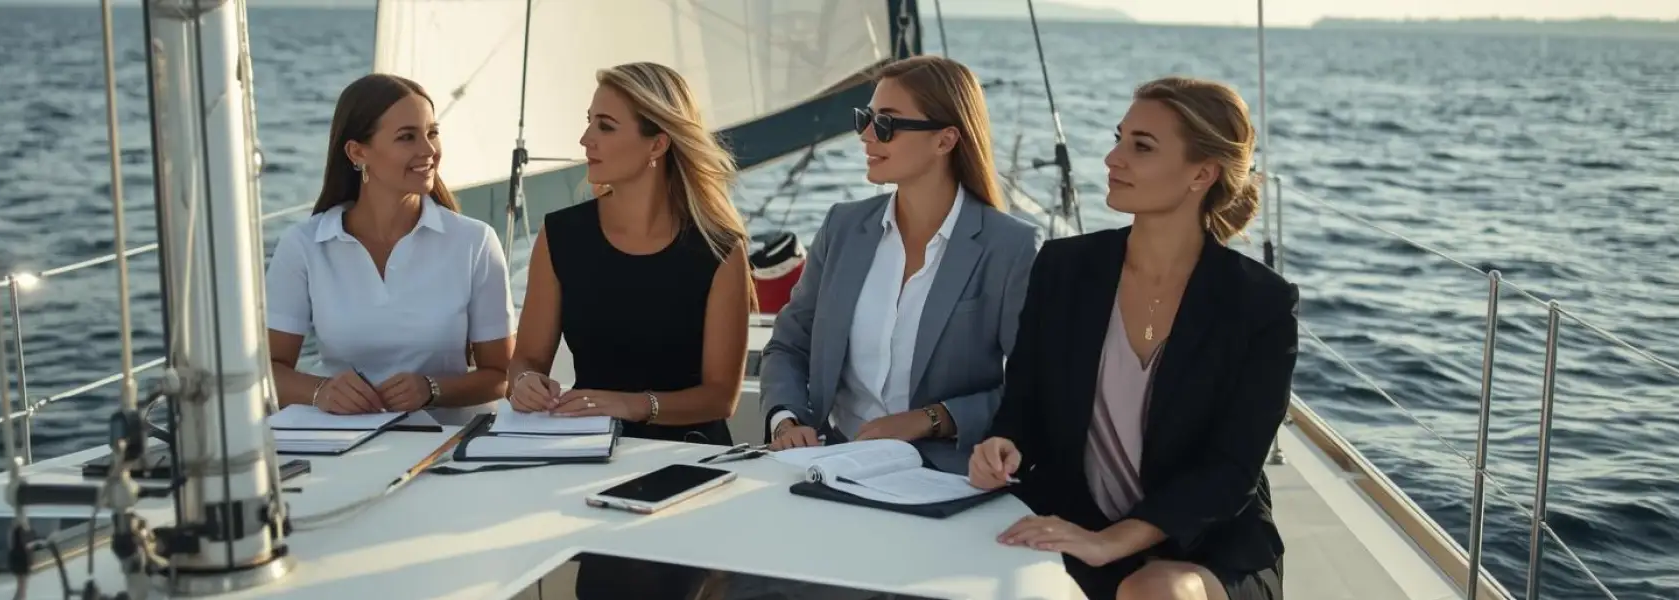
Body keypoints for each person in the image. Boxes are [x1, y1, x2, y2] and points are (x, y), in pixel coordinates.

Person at [968, 76, 1296, 600]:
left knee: (1155, 593)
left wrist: (1114, 542)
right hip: (1074, 516)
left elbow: (1231, 470)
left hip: (1206, 539)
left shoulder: (1259, 304)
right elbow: (1023, 406)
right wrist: (1001, 447)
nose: (1112, 158)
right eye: (1118, 138)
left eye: (1140, 146)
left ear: (1202, 173)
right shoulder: (1063, 268)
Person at [757, 55, 1039, 475]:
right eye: (864, 119)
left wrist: (930, 420)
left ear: (945, 141)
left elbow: (1032, 386)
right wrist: (787, 418)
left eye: (886, 124)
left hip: (942, 474)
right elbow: (789, 343)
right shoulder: (842, 226)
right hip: (829, 461)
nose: (867, 136)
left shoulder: (1008, 246)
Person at [506, 61, 751, 444]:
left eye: (605, 126)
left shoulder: (718, 249)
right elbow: (527, 359)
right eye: (589, 122)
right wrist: (523, 382)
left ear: (657, 143)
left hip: (688, 455)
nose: (586, 139)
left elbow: (720, 398)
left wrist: (634, 405)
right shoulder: (561, 235)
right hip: (584, 446)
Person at [265, 73, 514, 425]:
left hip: (449, 443)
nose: (428, 150)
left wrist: (432, 389)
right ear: (357, 152)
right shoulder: (303, 246)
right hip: (343, 442)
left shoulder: (474, 242)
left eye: (432, 133)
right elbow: (268, 371)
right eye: (407, 137)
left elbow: (502, 375)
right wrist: (322, 391)